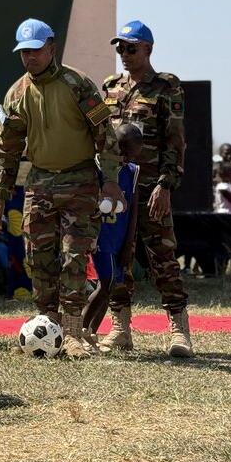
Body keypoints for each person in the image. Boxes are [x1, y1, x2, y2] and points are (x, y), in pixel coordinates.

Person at [0, 18, 123, 359]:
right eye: (24, 52)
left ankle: (74, 334)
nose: (29, 58)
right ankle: (47, 329)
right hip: (40, 183)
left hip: (80, 181)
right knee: (39, 258)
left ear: (52, 48)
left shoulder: (79, 84)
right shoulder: (16, 94)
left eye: (35, 50)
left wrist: (110, 182)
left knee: (74, 257)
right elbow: (7, 151)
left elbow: (105, 134)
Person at [101, 20, 193, 357]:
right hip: (118, 189)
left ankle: (179, 330)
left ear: (148, 49)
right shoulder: (110, 87)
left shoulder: (166, 87)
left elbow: (175, 142)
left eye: (131, 48)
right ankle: (120, 328)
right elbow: (102, 136)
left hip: (152, 187)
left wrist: (166, 185)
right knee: (116, 257)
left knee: (163, 257)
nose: (123, 54)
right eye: (120, 48)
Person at [84, 123, 140, 352]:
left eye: (131, 153)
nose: (125, 156)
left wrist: (128, 245)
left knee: (110, 287)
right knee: (105, 284)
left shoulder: (132, 172)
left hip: (119, 239)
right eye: (121, 150)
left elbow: (133, 211)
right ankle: (78, 329)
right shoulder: (97, 169)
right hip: (100, 238)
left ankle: (90, 334)